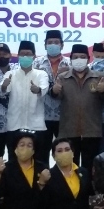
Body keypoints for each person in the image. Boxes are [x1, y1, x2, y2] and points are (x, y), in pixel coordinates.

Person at [52, 43, 104, 167]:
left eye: (82, 57)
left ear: (88, 59)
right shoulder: (62, 77)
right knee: (70, 167)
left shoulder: (98, 77)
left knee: (91, 167)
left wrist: (103, 90)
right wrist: (55, 91)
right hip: (69, 130)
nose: (79, 60)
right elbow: (57, 96)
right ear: (71, 59)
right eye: (75, 57)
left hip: (92, 131)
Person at [41, 138, 91, 209]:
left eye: (67, 149)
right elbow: (43, 206)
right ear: (53, 156)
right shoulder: (48, 176)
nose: (64, 153)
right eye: (59, 151)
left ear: (73, 152)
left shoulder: (83, 172)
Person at [0, 131, 49, 209]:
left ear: (34, 149)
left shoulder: (42, 168)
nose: (25, 148)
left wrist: (42, 185)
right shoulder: (7, 168)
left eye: (29, 145)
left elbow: (48, 198)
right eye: (22, 145)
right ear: (15, 148)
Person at [2, 41, 49, 151]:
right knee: (14, 157)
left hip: (36, 125)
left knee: (37, 157)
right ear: (18, 56)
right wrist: (4, 86)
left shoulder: (41, 74)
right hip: (14, 124)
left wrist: (37, 89)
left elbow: (44, 88)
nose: (25, 57)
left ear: (34, 56)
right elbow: (3, 90)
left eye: (28, 54)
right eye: (22, 54)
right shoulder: (10, 74)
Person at [33, 30, 71, 162]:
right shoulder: (37, 63)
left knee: (64, 153)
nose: (53, 45)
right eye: (50, 42)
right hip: (42, 116)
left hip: (64, 116)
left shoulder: (70, 63)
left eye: (56, 42)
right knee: (41, 154)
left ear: (62, 45)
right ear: (45, 45)